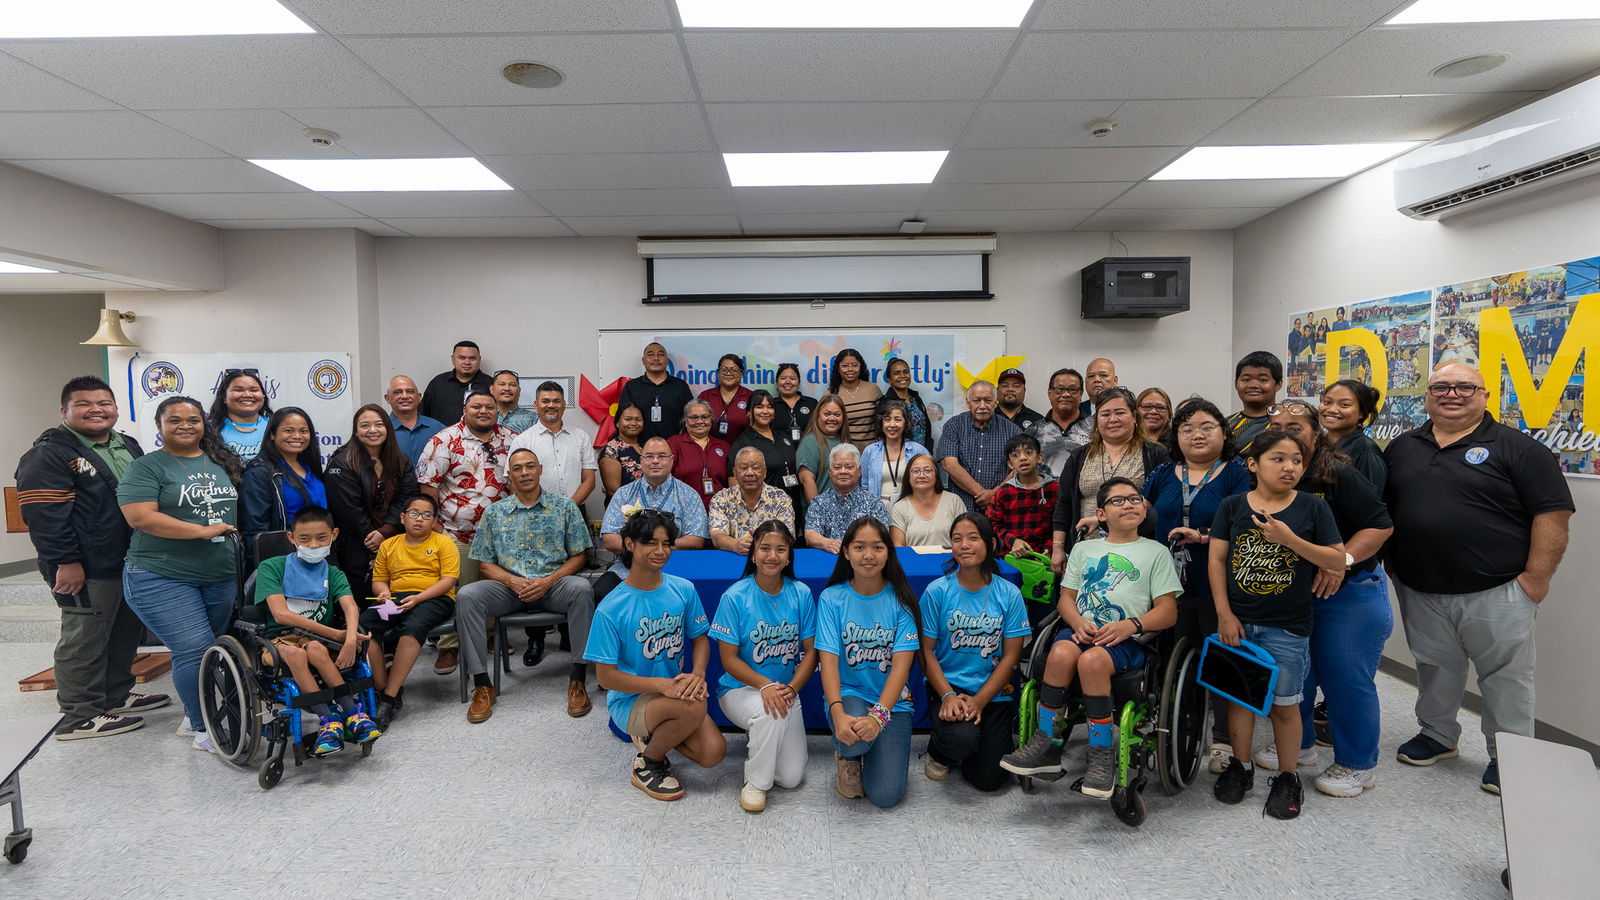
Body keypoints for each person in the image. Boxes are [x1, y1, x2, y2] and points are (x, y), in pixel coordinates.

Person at [1384, 363, 1573, 795]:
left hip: (1500, 589)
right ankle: (1437, 735)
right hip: (1421, 586)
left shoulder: (1519, 448)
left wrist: (1535, 580)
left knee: (1506, 678)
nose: (1452, 394)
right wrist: (1395, 564)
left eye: (1464, 387)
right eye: (1441, 387)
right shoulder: (1402, 447)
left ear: (1486, 395)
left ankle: (1509, 756)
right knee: (1434, 666)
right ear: (1427, 396)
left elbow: (1553, 515)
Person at [1000, 478, 1180, 798]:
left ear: (1144, 508)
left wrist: (1131, 625)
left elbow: (1167, 611)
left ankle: (1101, 756)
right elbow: (1065, 599)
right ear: (1100, 513)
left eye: (1135, 499)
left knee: (1092, 660)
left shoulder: (1156, 552)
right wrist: (1077, 621)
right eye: (1118, 501)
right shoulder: (1084, 549)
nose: (1128, 504)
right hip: (1081, 628)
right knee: (1059, 654)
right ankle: (1047, 741)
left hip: (1126, 641)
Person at [17, 375, 165, 740]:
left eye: (104, 403)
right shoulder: (49, 454)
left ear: (115, 409)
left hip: (127, 561)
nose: (95, 410)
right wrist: (66, 562)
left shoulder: (126, 444)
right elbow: (45, 517)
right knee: (85, 638)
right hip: (84, 566)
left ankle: (114, 696)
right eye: (84, 404)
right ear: (64, 411)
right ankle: (79, 716)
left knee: (123, 633)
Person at [1208, 431, 1345, 820]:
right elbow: (1217, 561)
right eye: (1279, 459)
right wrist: (1224, 615)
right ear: (1253, 464)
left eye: (1297, 461)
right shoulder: (1232, 506)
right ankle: (1241, 766)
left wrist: (1289, 539)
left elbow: (1336, 561)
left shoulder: (1312, 509)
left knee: (1286, 705)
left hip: (1287, 628)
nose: (1290, 468)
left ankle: (1287, 777)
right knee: (1240, 700)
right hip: (1239, 624)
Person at [1265, 401, 1395, 799]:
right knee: (1296, 677)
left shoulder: (1337, 472)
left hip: (1348, 593)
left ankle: (1357, 764)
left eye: (1297, 426)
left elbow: (1380, 525)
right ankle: (1300, 746)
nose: (1286, 432)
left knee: (1344, 680)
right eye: (1277, 426)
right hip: (1294, 594)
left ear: (1316, 433)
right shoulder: (1270, 473)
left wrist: (1343, 562)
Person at [117, 395, 241, 752]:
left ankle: (193, 712)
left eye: (193, 419)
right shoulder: (147, 467)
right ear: (159, 426)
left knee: (209, 649)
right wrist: (201, 531)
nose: (185, 425)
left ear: (205, 424)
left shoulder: (220, 462)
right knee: (192, 648)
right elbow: (140, 517)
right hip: (159, 574)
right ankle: (204, 728)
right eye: (175, 420)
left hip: (218, 574)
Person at [585, 508, 726, 801]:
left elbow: (700, 640)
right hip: (632, 701)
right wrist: (664, 686)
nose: (660, 551)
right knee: (693, 707)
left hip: (676, 694)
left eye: (666, 543)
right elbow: (606, 678)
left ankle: (659, 732)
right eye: (650, 542)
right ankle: (648, 763)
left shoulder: (683, 589)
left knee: (713, 753)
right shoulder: (611, 608)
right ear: (630, 544)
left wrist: (698, 675)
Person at [1142, 397, 1249, 773]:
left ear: (1224, 432)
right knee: (1170, 660)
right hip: (1168, 588)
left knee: (1222, 660)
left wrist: (1203, 537)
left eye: (1207, 426)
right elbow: (1137, 509)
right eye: (1186, 428)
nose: (1196, 435)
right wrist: (1102, 522)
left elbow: (1248, 525)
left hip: (1218, 586)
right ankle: (1174, 731)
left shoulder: (1236, 473)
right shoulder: (1163, 473)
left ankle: (1222, 741)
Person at [455, 448, 596, 722]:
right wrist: (511, 580)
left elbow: (579, 556)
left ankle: (577, 679)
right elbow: (485, 564)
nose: (525, 472)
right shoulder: (495, 513)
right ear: (510, 476)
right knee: (467, 595)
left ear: (540, 469)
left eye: (530, 466)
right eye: (517, 468)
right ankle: (483, 684)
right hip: (509, 589)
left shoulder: (565, 507)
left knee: (582, 589)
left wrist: (548, 582)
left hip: (554, 585)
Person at [252, 506, 381, 756]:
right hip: (279, 639)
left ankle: (353, 714)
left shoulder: (333, 573)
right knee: (297, 653)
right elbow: (281, 614)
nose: (313, 545)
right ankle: (328, 719)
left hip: (318, 640)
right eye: (304, 539)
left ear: (333, 535)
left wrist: (351, 637)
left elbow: (350, 606)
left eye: (321, 538)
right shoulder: (272, 567)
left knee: (316, 649)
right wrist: (337, 635)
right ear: (291, 538)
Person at [710, 521, 818, 812]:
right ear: (753, 554)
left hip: (785, 691)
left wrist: (792, 689)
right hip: (740, 690)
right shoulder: (734, 596)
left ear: (789, 556)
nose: (773, 556)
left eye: (781, 549)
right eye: (765, 548)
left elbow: (810, 653)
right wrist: (765, 686)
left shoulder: (801, 593)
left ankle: (761, 736)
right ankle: (755, 783)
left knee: (791, 777)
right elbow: (728, 660)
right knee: (767, 714)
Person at [920, 513, 1029, 791]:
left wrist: (980, 701)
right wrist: (947, 695)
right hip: (949, 687)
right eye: (957, 539)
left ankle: (977, 745)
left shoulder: (1009, 593)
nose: (964, 545)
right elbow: (927, 652)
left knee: (991, 779)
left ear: (991, 544)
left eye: (973, 538)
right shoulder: (937, 591)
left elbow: (1011, 656)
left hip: (992, 690)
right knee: (961, 739)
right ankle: (940, 751)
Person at [817, 517, 920, 808]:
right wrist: (837, 713)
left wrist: (878, 718)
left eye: (877, 547)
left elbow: (901, 668)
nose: (868, 555)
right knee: (856, 739)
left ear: (889, 552)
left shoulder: (902, 601)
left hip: (892, 703)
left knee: (886, 796)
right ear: (846, 552)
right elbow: (828, 661)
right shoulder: (831, 598)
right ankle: (848, 755)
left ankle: (870, 746)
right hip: (850, 695)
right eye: (859, 547)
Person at [416, 391, 514, 675]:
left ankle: (490, 636)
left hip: (499, 535)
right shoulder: (444, 440)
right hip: (457, 532)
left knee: (493, 589)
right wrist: (435, 525)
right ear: (465, 409)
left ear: (497, 410)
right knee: (457, 592)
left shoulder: (510, 438)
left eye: (489, 407)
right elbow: (428, 485)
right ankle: (449, 645)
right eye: (476, 406)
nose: (483, 411)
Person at [362, 494, 458, 728]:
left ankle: (388, 698)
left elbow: (448, 580)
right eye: (414, 513)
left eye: (427, 515)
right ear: (403, 517)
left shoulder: (444, 543)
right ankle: (383, 686)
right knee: (364, 627)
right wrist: (383, 592)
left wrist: (419, 598)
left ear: (434, 521)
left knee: (412, 628)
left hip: (434, 597)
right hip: (395, 599)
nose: (419, 519)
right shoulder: (388, 545)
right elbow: (379, 580)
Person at [1048, 387, 1168, 571]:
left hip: (1138, 553)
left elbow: (1163, 502)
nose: (1113, 419)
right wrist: (1058, 547)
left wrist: (1107, 520)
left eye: (1120, 412)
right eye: (1105, 414)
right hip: (1087, 553)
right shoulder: (1079, 457)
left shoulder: (1155, 454)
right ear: (1096, 421)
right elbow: (1063, 506)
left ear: (1135, 417)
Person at [596, 437, 710, 601]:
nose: (655, 461)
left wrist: (652, 549)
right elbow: (609, 539)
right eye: (649, 456)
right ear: (641, 461)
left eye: (662, 456)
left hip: (674, 568)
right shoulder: (624, 494)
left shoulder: (688, 495)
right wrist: (647, 552)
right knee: (600, 593)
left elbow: (696, 540)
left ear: (671, 460)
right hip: (628, 569)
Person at [324, 403, 418, 586]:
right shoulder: (342, 462)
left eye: (379, 424)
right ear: (356, 431)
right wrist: (374, 540)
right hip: (354, 546)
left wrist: (385, 532)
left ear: (388, 429)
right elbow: (348, 510)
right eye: (365, 425)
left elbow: (408, 498)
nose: (372, 430)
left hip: (394, 540)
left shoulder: (401, 460)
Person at [239, 407, 327, 562]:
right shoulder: (259, 472)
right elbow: (255, 529)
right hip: (284, 559)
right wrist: (271, 569)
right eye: (289, 430)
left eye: (304, 431)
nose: (297, 436)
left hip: (319, 554)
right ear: (273, 434)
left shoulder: (310, 467)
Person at [936, 380, 1022, 512]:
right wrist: (983, 494)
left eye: (988, 400)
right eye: (976, 400)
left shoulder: (1012, 430)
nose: (982, 406)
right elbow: (949, 464)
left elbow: (1019, 467)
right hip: (961, 506)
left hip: (1000, 507)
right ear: (968, 402)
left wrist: (995, 495)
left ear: (995, 402)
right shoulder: (954, 425)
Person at [510, 380, 597, 506]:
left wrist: (570, 507)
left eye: (556, 401)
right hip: (536, 512)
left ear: (564, 404)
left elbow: (589, 480)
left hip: (575, 509)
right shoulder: (522, 440)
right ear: (536, 404)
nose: (551, 405)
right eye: (545, 401)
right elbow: (514, 482)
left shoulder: (581, 436)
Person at [804, 444, 890, 553]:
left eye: (849, 467)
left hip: (864, 559)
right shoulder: (819, 502)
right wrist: (826, 543)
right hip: (829, 559)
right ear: (830, 472)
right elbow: (810, 534)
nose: (843, 471)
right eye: (837, 467)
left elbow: (882, 535)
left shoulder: (874, 503)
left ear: (859, 471)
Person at [986, 433, 1059, 559]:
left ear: (1039, 458)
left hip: (1045, 558)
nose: (1023, 458)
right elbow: (992, 522)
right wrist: (1013, 541)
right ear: (1010, 464)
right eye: (1015, 455)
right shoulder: (1004, 492)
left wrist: (1049, 547)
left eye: (1029, 452)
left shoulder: (1054, 489)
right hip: (1011, 557)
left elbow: (1060, 523)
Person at [731, 391, 804, 515]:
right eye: (759, 407)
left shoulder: (784, 437)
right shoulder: (743, 444)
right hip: (763, 510)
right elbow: (735, 485)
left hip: (792, 506)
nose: (765, 411)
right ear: (748, 412)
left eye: (769, 407)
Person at [709, 448, 795, 553]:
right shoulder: (721, 498)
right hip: (732, 558)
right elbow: (717, 536)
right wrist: (735, 545)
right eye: (743, 468)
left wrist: (759, 545)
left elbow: (787, 536)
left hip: (769, 558)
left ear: (765, 472)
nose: (749, 473)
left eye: (755, 468)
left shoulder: (781, 498)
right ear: (735, 473)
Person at [617, 342, 694, 443]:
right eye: (650, 354)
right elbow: (623, 420)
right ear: (643, 361)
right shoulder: (632, 387)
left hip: (674, 447)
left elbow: (691, 417)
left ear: (667, 361)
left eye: (661, 354)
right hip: (640, 448)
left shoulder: (680, 386)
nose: (656, 358)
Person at [859, 400, 931, 506]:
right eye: (887, 420)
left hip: (910, 507)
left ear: (905, 423)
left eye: (897, 419)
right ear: (882, 423)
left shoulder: (919, 451)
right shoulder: (870, 451)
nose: (892, 424)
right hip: (877, 508)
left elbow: (929, 482)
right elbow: (864, 485)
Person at [1319, 379, 1386, 492]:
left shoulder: (1367, 452)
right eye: (1327, 402)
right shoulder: (1318, 444)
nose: (1332, 409)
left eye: (1344, 405)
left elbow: (1370, 503)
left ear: (1362, 413)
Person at [890, 453, 968, 549]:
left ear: (936, 474)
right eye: (916, 471)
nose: (921, 475)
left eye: (927, 470)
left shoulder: (954, 501)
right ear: (908, 476)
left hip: (950, 561)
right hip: (913, 562)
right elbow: (898, 547)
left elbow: (965, 538)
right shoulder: (900, 507)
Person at [1028, 367, 1094, 479]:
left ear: (1081, 394)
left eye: (1073, 390)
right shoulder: (1034, 430)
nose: (1066, 394)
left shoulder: (1096, 427)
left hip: (1084, 495)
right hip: (1044, 494)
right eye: (1059, 389)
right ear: (1049, 393)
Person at [668, 398, 732, 511]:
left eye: (704, 417)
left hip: (719, 512)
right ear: (685, 421)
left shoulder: (724, 446)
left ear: (711, 420)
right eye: (693, 417)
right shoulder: (674, 443)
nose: (699, 421)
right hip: (683, 509)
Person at [207, 368, 274, 462]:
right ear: (224, 397)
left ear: (263, 396)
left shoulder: (274, 427)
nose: (247, 394)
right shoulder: (209, 429)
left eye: (254, 390)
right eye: (238, 390)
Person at [420, 340, 493, 427]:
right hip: (442, 438)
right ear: (453, 359)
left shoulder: (490, 384)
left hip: (480, 439)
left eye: (472, 358)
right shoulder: (438, 383)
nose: (467, 362)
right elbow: (423, 415)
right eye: (462, 358)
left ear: (479, 360)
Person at [1226, 350, 1284, 451]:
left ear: (1278, 384)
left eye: (1263, 380)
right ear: (1236, 384)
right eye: (1246, 379)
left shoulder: (1286, 422)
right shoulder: (1225, 425)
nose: (1253, 385)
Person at [384, 375, 445, 468]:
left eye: (410, 391)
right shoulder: (380, 430)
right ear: (387, 398)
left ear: (419, 397)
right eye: (397, 392)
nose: (404, 396)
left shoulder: (438, 429)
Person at [828, 348, 883, 450]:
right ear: (838, 369)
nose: (850, 369)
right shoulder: (831, 394)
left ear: (861, 367)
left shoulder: (873, 389)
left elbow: (883, 421)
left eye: (854, 365)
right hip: (845, 453)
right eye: (845, 366)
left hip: (873, 451)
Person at [796, 393, 847, 502]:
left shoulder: (845, 442)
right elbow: (807, 480)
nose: (832, 418)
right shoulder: (811, 441)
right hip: (822, 514)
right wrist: (819, 513)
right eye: (827, 414)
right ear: (817, 415)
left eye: (837, 414)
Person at [699, 353, 754, 444]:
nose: (728, 373)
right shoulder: (705, 396)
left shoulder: (751, 397)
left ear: (741, 374)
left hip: (743, 451)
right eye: (724, 370)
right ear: (718, 373)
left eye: (734, 370)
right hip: (710, 450)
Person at [599, 403, 646, 506]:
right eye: (628, 419)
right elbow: (614, 491)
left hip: (650, 508)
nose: (633, 423)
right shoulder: (611, 450)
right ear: (617, 423)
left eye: (638, 419)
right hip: (624, 510)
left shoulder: (647, 446)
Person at [883, 357, 931, 447]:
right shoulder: (885, 403)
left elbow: (926, 429)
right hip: (899, 456)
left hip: (922, 455)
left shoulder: (915, 398)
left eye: (906, 372)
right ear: (889, 379)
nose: (902, 376)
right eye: (897, 373)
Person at [770, 362, 817, 446]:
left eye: (792, 378)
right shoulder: (770, 405)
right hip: (779, 452)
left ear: (799, 382)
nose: (788, 382)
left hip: (807, 451)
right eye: (783, 378)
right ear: (777, 383)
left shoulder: (812, 403)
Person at [489, 369, 537, 433]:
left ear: (519, 391)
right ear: (491, 389)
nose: (507, 388)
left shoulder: (534, 419)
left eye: (512, 385)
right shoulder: (484, 416)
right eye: (502, 384)